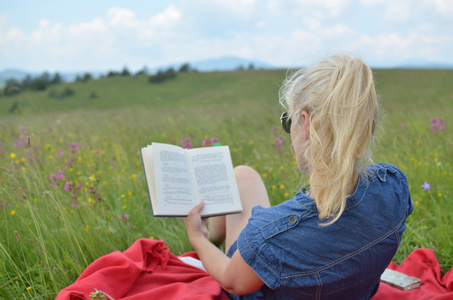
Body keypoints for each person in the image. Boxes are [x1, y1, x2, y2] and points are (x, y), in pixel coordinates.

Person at [183, 54, 413, 299]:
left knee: (240, 180)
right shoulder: (393, 186)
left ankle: (209, 236)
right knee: (243, 177)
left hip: (249, 279)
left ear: (305, 124)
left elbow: (233, 282)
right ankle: (216, 235)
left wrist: (198, 239)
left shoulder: (270, 237)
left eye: (287, 121)